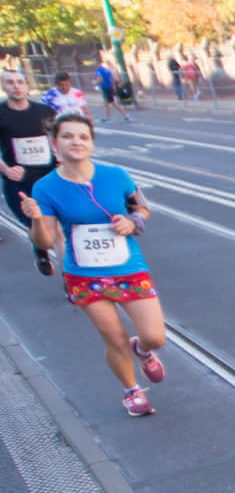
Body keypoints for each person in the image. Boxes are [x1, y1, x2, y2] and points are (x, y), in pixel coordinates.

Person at [18, 114, 167, 417]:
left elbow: (142, 207)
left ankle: (143, 349)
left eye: (83, 137)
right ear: (55, 142)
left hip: (128, 266)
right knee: (115, 338)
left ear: (92, 143)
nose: (76, 142)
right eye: (68, 136)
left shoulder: (116, 175)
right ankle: (131, 391)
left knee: (155, 336)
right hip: (84, 273)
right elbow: (45, 242)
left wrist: (133, 221)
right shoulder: (46, 188)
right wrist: (34, 218)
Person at [0, 67, 62, 275]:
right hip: (19, 180)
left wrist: (61, 157)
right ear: (3, 86)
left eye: (19, 81)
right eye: (10, 82)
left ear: (27, 85)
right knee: (36, 222)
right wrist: (6, 170)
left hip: (49, 176)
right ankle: (40, 248)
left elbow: (57, 138)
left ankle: (69, 280)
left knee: (58, 229)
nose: (16, 86)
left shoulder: (45, 111)